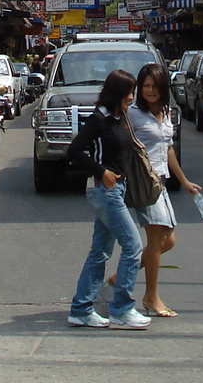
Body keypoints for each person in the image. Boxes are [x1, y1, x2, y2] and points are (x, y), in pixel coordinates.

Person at [65, 69, 149, 331]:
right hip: (107, 191)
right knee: (133, 246)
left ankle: (81, 310)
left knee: (100, 251)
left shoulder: (121, 115)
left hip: (120, 188)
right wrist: (102, 172)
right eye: (128, 93)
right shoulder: (99, 119)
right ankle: (121, 309)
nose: (132, 98)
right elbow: (75, 151)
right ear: (116, 93)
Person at [127, 63, 200, 318]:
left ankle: (122, 273)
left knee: (169, 240)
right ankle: (151, 296)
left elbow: (168, 149)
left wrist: (185, 181)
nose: (150, 91)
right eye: (145, 86)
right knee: (156, 240)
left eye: (154, 86)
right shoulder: (133, 113)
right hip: (144, 182)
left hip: (162, 181)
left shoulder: (166, 112)